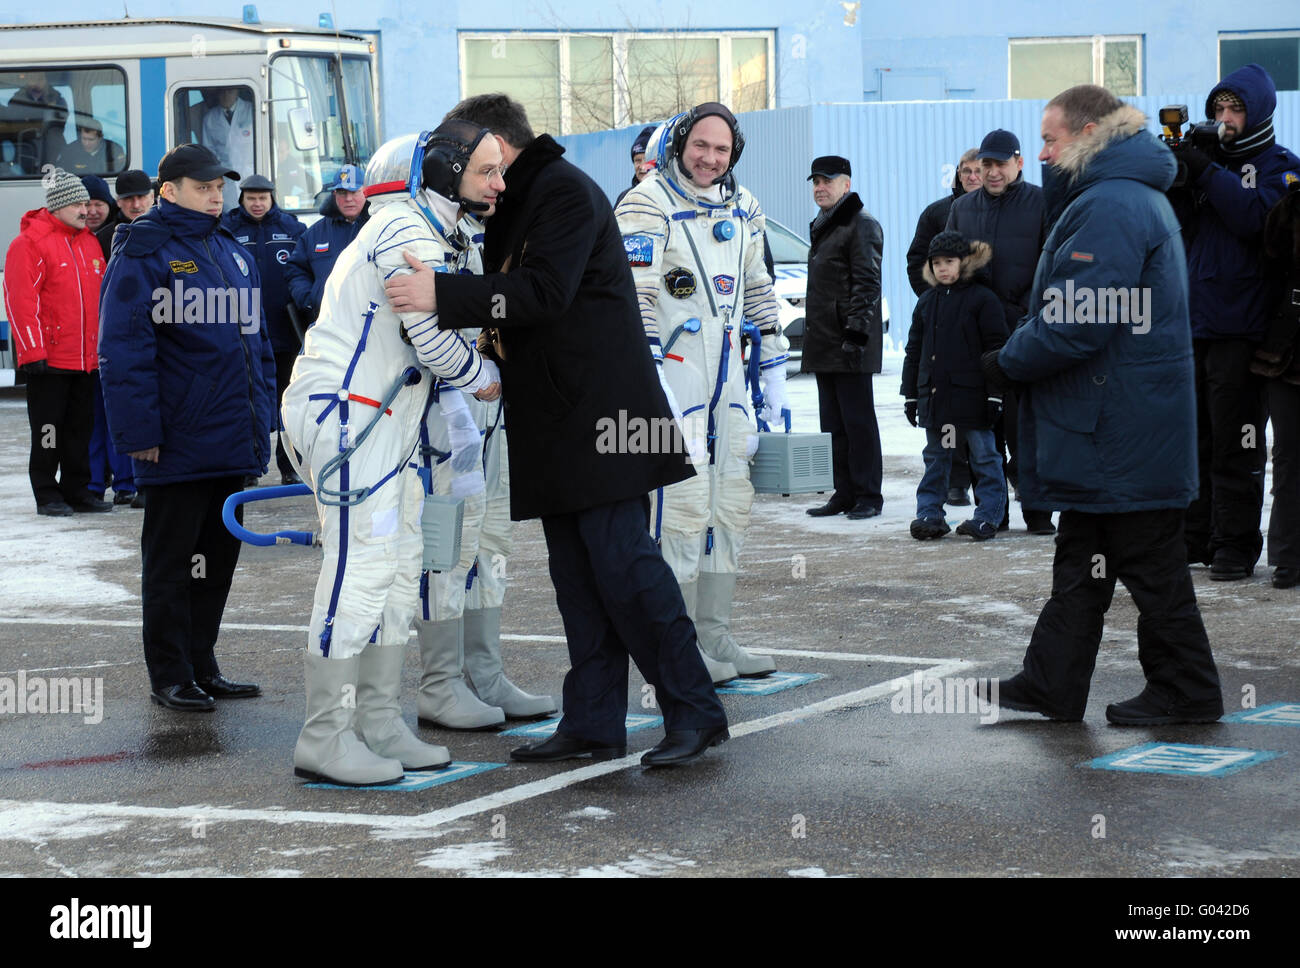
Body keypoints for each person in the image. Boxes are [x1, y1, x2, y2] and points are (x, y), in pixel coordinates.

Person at [385, 92, 729, 767]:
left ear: (500, 146)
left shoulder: (562, 192)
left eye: (478, 160)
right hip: (562, 418)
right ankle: (594, 720)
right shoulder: (519, 199)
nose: (470, 174)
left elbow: (544, 293)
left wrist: (442, 297)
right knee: (579, 577)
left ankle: (695, 710)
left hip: (606, 416)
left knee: (628, 570)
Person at [979, 86, 1223, 726]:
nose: (1041, 151)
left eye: (1051, 139)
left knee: (1152, 567)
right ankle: (1049, 684)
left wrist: (1006, 361)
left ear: (1088, 133)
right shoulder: (1115, 196)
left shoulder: (1112, 204)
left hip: (1120, 426)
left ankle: (1187, 691)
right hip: (1114, 422)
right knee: (1082, 562)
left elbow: (1077, 320)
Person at [279, 123, 506, 785]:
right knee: (362, 569)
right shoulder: (403, 231)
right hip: (350, 417)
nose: (497, 183)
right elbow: (434, 341)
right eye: (486, 170)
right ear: (440, 171)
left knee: (403, 567)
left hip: (387, 423)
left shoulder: (437, 232)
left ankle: (378, 721)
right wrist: (487, 378)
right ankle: (324, 735)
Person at [611, 102, 786, 685]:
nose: (711, 159)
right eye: (701, 146)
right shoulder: (647, 203)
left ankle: (714, 636)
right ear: (679, 143)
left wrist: (776, 366)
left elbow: (759, 285)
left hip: (728, 380)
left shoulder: (745, 207)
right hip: (673, 379)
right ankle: (674, 649)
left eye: (722, 149)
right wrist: (652, 379)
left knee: (729, 503)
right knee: (679, 511)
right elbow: (632, 301)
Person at [98, 143, 274, 712]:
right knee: (172, 564)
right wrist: (139, 435)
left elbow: (258, 345)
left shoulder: (228, 246)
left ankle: (203, 662)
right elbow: (123, 350)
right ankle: (170, 673)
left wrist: (263, 420)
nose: (216, 196)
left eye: (219, 186)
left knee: (217, 559)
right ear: (168, 190)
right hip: (175, 440)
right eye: (203, 187)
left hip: (230, 437)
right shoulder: (145, 249)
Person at [1171, 64, 1300, 581]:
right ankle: (1197, 536)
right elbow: (1177, 226)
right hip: (1196, 322)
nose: (1225, 120)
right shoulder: (1206, 163)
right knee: (1196, 438)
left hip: (1246, 328)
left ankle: (1237, 543)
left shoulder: (1282, 167)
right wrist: (1181, 172)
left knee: (1238, 440)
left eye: (1235, 110)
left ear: (1259, 112)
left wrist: (1205, 171)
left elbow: (1256, 221)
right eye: (1218, 109)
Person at [947, 128, 1054, 535]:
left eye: (1000, 164)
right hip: (977, 335)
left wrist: (1030, 312)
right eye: (986, 165)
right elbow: (953, 267)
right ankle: (993, 510)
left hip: (1025, 330)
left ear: (1019, 163)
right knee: (981, 426)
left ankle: (1039, 511)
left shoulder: (1040, 204)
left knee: (1025, 424)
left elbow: (1052, 264)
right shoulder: (963, 208)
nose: (992, 173)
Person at [4, 168, 109, 517]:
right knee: (49, 430)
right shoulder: (29, 244)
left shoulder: (90, 242)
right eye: (79, 204)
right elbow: (21, 301)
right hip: (48, 361)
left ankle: (77, 490)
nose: (86, 211)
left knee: (81, 429)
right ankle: (47, 493)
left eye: (88, 203)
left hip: (85, 358)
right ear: (59, 205)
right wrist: (32, 351)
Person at [902, 231, 1007, 541]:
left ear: (965, 262)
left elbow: (996, 349)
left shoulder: (982, 300)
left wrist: (995, 395)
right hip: (938, 400)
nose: (943, 269)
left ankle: (989, 514)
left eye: (949, 262)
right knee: (937, 457)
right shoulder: (927, 302)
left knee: (984, 457)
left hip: (973, 401)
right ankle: (930, 513)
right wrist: (911, 395)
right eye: (937, 263)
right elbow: (914, 351)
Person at [801, 154, 885, 521]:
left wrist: (856, 334)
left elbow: (867, 284)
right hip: (825, 340)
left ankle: (868, 494)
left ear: (846, 184)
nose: (821, 187)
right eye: (816, 181)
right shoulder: (824, 223)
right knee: (832, 423)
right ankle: (844, 491)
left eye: (828, 181)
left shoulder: (861, 224)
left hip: (851, 341)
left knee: (858, 422)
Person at [908, 148, 984, 507]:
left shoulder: (1001, 210)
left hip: (987, 322)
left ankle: (995, 486)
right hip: (944, 326)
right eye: (965, 171)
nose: (971, 176)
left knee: (986, 410)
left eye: (977, 171)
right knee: (947, 412)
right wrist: (936, 301)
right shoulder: (938, 212)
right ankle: (955, 482)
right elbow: (915, 258)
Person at [221, 174, 307, 485]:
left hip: (284, 332)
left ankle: (289, 467)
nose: (257, 204)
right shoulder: (228, 229)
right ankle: (248, 467)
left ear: (272, 199)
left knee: (289, 401)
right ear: (242, 199)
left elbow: (306, 270)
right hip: (244, 334)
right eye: (251, 198)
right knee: (247, 401)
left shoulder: (292, 229)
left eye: (263, 198)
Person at [1252, 182, 1300, 589]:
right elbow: (1267, 272)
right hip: (1288, 348)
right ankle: (1288, 557)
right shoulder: (1289, 209)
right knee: (1287, 455)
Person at [285, 164, 370, 326]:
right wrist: (310, 300)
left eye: (354, 192)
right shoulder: (314, 234)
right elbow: (296, 270)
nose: (348, 199)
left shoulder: (380, 226)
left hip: (372, 322)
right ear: (334, 194)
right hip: (327, 323)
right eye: (342, 193)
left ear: (366, 191)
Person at [202, 87, 255, 210]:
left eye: (230, 91)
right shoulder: (210, 118)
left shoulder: (252, 110)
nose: (226, 95)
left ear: (237, 92)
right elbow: (209, 153)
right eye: (222, 92)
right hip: (226, 178)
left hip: (251, 172)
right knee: (230, 214)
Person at [5, 70, 67, 170]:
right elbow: (13, 124)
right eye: (33, 78)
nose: (36, 82)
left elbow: (59, 122)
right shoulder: (16, 100)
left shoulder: (58, 99)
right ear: (27, 80)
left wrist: (46, 101)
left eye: (40, 79)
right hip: (25, 148)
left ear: (45, 80)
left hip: (52, 149)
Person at [95, 169, 154, 260]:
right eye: (128, 198)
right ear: (118, 201)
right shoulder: (103, 239)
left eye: (141, 197)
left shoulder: (171, 230)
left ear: (152, 197)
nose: (136, 205)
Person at [55, 116, 125, 174]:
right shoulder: (69, 151)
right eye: (84, 138)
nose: (86, 143)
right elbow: (59, 174)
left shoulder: (114, 150)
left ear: (100, 138)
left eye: (91, 140)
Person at [615, 124, 657, 206]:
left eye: (647, 159)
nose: (642, 166)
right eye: (637, 161)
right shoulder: (625, 198)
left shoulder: (675, 196)